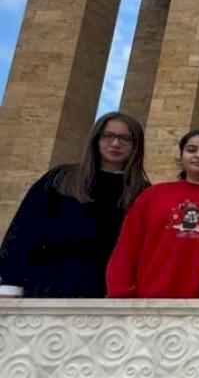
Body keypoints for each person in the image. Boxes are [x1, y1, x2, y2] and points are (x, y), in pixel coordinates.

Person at [0, 112, 149, 298]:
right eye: (108, 136)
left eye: (125, 138)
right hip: (48, 282)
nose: (115, 143)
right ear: (96, 139)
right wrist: (10, 282)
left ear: (136, 145)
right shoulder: (61, 178)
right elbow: (25, 228)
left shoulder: (142, 191)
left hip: (105, 289)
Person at [106, 129, 199, 298]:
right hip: (150, 296)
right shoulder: (153, 195)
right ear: (181, 156)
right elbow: (128, 245)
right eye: (191, 150)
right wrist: (119, 291)